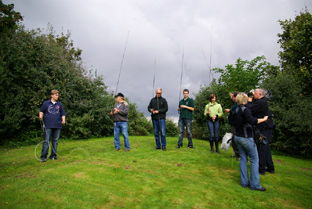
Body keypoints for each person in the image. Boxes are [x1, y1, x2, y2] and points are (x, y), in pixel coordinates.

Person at [234, 93, 268, 191]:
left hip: (238, 137)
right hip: (246, 138)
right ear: (244, 99)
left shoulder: (235, 109)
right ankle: (255, 185)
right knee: (254, 159)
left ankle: (244, 182)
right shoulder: (245, 110)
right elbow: (253, 121)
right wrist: (264, 119)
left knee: (243, 159)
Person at [247, 88, 275, 175]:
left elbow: (249, 109)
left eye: (255, 93)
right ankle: (270, 168)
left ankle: (261, 169)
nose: (253, 94)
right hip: (265, 128)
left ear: (260, 94)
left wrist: (249, 99)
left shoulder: (261, 102)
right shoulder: (261, 102)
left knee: (262, 148)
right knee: (266, 148)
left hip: (264, 128)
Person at [39, 89, 66, 162]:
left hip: (57, 125)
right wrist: (40, 115)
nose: (57, 96)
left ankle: (53, 156)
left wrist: (63, 119)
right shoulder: (46, 103)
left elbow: (63, 113)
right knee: (46, 141)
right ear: (52, 95)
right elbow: (41, 111)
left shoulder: (59, 104)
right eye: (56, 95)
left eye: (57, 95)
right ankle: (43, 157)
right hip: (48, 125)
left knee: (55, 141)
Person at [224, 92, 240, 159]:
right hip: (233, 124)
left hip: (236, 124)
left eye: (233, 97)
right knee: (233, 139)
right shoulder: (236, 104)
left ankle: (240, 155)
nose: (232, 99)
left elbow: (236, 112)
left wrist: (229, 111)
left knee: (236, 139)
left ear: (235, 97)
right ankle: (237, 153)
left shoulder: (239, 104)